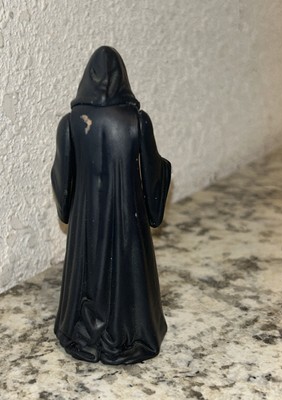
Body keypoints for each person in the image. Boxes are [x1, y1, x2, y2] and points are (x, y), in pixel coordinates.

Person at [51, 46, 171, 364]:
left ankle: (82, 330)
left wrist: (67, 210)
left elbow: (62, 177)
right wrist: (156, 200)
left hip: (86, 215)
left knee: (87, 268)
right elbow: (153, 172)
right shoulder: (137, 120)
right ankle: (130, 331)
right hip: (126, 214)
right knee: (127, 267)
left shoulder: (71, 123)